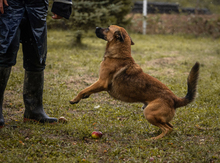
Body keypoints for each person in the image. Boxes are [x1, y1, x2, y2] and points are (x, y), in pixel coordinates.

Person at [0, 0, 72, 128]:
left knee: (37, 55)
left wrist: (62, 3)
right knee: (4, 53)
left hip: (37, 5)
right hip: (8, 5)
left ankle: (34, 111)